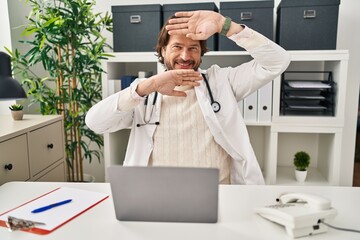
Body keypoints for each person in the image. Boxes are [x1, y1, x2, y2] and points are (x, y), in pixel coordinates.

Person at [85, 10, 290, 184]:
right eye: (177, 47)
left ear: (201, 54)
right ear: (163, 51)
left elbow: (277, 62)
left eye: (193, 48)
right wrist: (148, 86)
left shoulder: (222, 81)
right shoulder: (144, 94)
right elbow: (95, 122)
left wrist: (224, 25)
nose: (185, 56)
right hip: (155, 196)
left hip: (219, 195)